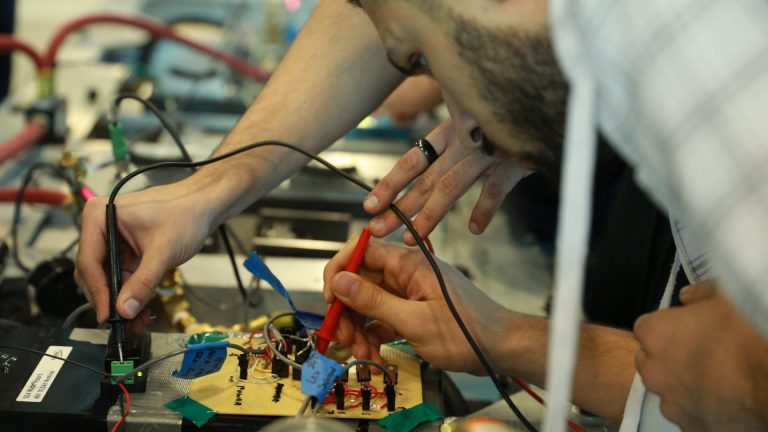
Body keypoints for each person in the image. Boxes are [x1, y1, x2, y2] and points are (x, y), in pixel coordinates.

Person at [75, 0, 768, 430]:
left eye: (415, 59)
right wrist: (208, 191)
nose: (448, 124)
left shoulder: (724, 85)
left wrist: (750, 389)